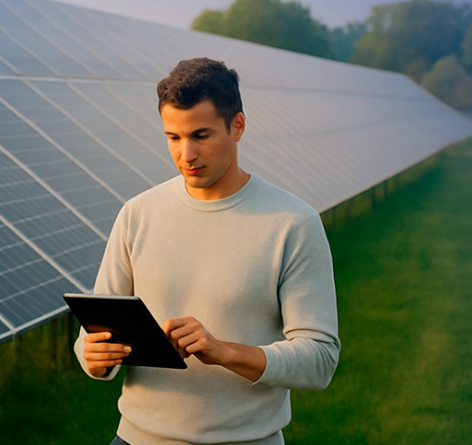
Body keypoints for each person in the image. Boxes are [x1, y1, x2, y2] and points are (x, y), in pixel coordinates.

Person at [73, 58, 340, 445]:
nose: (186, 155)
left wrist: (225, 352)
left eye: (200, 135)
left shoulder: (292, 223)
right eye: (173, 137)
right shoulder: (137, 214)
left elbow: (320, 361)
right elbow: (93, 333)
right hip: (135, 438)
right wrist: (94, 358)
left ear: (238, 126)